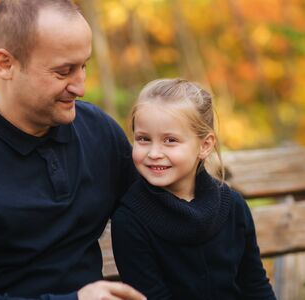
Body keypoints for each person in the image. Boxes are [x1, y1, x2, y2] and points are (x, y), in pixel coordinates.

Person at [0, 1, 145, 299]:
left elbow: (155, 213)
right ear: (5, 64)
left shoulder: (99, 132)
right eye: (64, 72)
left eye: (84, 66)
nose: (81, 87)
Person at [111, 78, 276, 299]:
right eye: (143, 139)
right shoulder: (131, 220)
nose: (154, 153)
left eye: (170, 140)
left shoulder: (232, 206)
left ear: (205, 145)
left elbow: (255, 285)